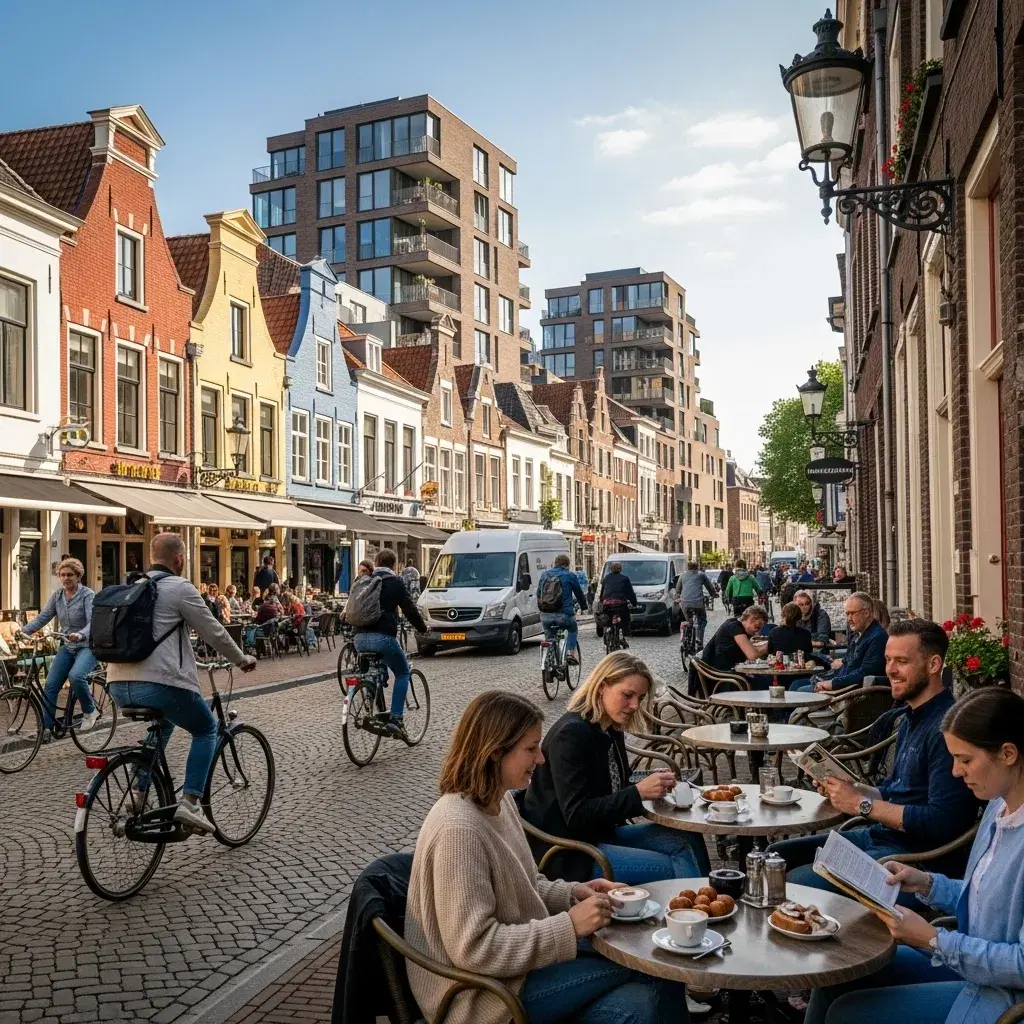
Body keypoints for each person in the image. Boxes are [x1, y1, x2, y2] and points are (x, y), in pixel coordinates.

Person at [405, 689, 691, 1024]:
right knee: (653, 966)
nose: (540, 759)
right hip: (485, 996)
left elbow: (525, 885)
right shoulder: (460, 831)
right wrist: (569, 925)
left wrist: (572, 893)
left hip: (518, 971)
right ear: (495, 753)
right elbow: (475, 948)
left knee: (646, 982)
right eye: (530, 749)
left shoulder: (499, 802)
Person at [805, 686, 1024, 1024]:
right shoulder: (998, 807)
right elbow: (986, 898)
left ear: (1008, 753)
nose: (955, 771)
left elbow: (1021, 965)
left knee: (845, 1013)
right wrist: (926, 884)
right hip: (970, 968)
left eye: (965, 759)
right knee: (835, 970)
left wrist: (933, 939)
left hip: (1001, 999)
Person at [768, 620, 980, 894]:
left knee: (795, 881)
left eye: (902, 661)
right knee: (775, 857)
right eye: (888, 659)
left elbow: (941, 821)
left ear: (933, 665)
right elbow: (894, 792)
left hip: (914, 861)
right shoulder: (911, 716)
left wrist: (860, 804)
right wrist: (848, 788)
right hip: (881, 837)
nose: (890, 670)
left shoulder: (947, 730)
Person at [106, 533, 256, 833]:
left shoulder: (131, 587)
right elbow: (213, 631)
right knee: (206, 728)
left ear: (150, 556)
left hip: (117, 685)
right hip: (160, 684)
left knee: (165, 723)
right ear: (179, 560)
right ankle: (190, 803)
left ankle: (138, 792)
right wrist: (241, 659)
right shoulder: (179, 588)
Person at [522, 651, 711, 883]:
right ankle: (689, 911)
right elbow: (577, 815)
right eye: (628, 695)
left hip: (601, 835)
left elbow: (615, 789)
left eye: (640, 698)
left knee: (687, 836)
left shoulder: (610, 727)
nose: (634, 705)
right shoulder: (571, 734)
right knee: (669, 867)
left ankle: (711, 903)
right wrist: (638, 792)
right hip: (570, 852)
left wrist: (653, 787)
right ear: (602, 686)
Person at [353, 548, 428, 739]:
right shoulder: (395, 582)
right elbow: (410, 609)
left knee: (377, 666)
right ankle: (396, 719)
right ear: (394, 565)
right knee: (402, 672)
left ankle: (371, 694)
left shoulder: (364, 580)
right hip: (383, 638)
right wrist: (422, 628)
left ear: (376, 562)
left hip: (359, 639)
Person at [19, 557, 99, 738]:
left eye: (70, 575)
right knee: (51, 686)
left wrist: (80, 634)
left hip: (86, 646)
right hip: (68, 646)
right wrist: (24, 630)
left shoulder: (87, 595)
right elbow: (43, 617)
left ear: (78, 576)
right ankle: (46, 729)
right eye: (62, 575)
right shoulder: (58, 596)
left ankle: (90, 710)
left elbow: (92, 622)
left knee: (76, 676)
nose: (66, 578)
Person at [792, 591, 888, 693]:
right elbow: (848, 662)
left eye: (852, 613)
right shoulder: (858, 633)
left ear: (866, 613)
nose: (848, 619)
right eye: (847, 614)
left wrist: (832, 683)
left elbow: (865, 674)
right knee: (795, 685)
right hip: (841, 681)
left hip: (848, 692)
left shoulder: (877, 637)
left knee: (799, 690)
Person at [691, 605, 769, 696]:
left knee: (765, 680)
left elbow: (755, 654)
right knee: (766, 683)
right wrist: (768, 646)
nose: (756, 626)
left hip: (725, 675)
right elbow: (752, 655)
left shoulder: (738, 628)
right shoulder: (735, 626)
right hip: (722, 679)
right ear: (744, 618)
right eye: (754, 620)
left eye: (759, 627)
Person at [537, 554, 588, 665]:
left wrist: (543, 610)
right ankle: (570, 653)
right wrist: (584, 607)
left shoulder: (544, 575)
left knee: (549, 637)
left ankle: (548, 663)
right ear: (567, 565)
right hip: (564, 615)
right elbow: (579, 594)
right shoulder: (570, 576)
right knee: (572, 629)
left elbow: (538, 594)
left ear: (555, 563)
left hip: (546, 615)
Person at [674, 560, 718, 647]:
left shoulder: (682, 576)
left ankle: (687, 635)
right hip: (698, 603)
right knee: (702, 620)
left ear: (687, 567)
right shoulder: (701, 575)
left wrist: (677, 598)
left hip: (685, 603)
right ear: (697, 567)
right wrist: (714, 594)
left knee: (689, 620)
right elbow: (709, 586)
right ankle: (699, 640)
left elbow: (678, 589)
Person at [597, 562, 636, 645]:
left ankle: (608, 631)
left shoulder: (606, 578)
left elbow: (602, 592)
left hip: (607, 604)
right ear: (620, 569)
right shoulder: (625, 579)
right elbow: (630, 593)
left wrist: (602, 601)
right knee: (625, 618)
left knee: (609, 619)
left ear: (611, 569)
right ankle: (625, 634)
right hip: (620, 604)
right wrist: (634, 603)